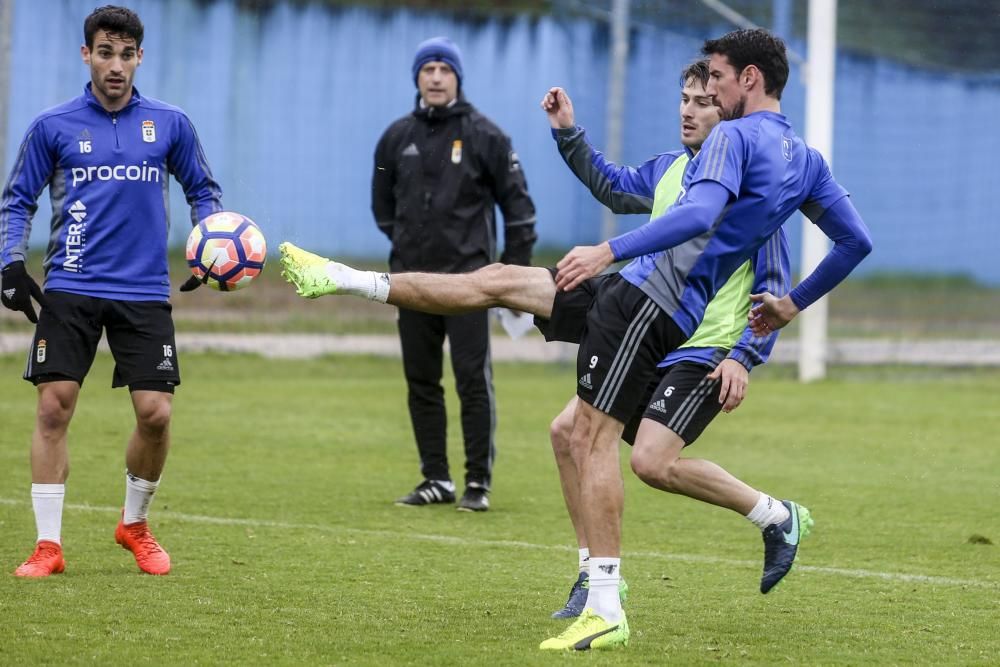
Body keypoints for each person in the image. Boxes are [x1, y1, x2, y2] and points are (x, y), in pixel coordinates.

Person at [279, 27, 871, 651]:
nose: (702, 99)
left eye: (713, 83)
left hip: (666, 317)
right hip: (631, 295)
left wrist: (737, 336)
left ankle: (614, 598)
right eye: (692, 95)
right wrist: (792, 306)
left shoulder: (733, 139)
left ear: (748, 79)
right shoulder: (800, 161)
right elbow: (855, 241)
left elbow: (702, 222)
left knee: (608, 445)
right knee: (500, 288)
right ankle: (347, 278)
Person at [541, 65, 803, 621]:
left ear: (729, 112)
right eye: (684, 99)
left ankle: (775, 517)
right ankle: (592, 576)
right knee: (567, 432)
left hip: (704, 353)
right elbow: (612, 185)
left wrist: (743, 357)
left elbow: (774, 287)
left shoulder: (755, 193)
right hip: (648, 338)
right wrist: (568, 132)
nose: (688, 110)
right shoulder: (669, 169)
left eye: (704, 102)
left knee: (652, 463)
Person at [0, 5, 223, 577]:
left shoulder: (170, 123)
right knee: (54, 407)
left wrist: (211, 244)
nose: (116, 65)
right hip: (70, 286)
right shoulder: (53, 125)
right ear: (87, 55)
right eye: (105, 53)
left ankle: (135, 523)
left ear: (140, 57)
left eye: (126, 54)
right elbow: (17, 199)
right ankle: (48, 546)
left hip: (144, 290)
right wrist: (9, 263)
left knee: (156, 414)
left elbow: (203, 189)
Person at [372, 37, 538, 512]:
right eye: (429, 68)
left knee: (471, 380)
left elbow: (520, 211)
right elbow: (382, 206)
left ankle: (477, 483)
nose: (437, 76)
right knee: (421, 380)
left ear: (458, 77)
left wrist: (509, 279)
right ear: (417, 78)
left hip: (470, 285)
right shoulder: (395, 137)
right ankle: (435, 479)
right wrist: (406, 248)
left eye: (446, 68)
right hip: (410, 283)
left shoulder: (486, 135)